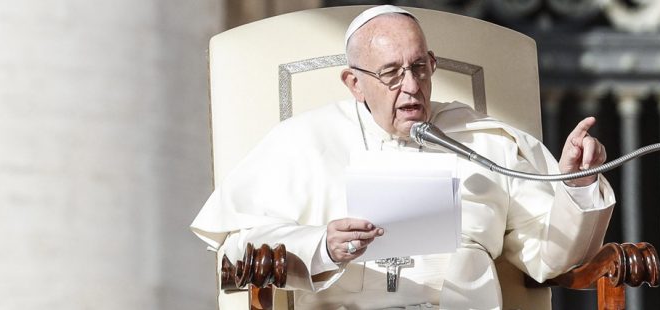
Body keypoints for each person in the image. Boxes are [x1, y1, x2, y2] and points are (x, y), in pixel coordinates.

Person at [192, 5, 615, 309]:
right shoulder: (304, 141)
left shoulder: (487, 142)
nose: (411, 85)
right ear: (354, 83)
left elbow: (554, 258)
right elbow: (238, 249)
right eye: (391, 73)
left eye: (419, 68)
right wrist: (321, 246)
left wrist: (576, 188)